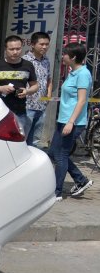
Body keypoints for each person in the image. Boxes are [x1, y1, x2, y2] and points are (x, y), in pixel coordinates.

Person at [51, 43, 92, 200]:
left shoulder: (83, 74)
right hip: (63, 119)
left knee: (61, 155)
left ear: (73, 57)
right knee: (54, 152)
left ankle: (57, 192)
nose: (63, 56)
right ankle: (80, 180)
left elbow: (81, 101)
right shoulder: (73, 72)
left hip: (73, 122)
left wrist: (71, 122)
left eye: (65, 54)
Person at [0, 35, 38, 135]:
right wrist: (1, 88)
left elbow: (35, 86)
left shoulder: (28, 65)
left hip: (20, 112)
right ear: (5, 49)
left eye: (18, 49)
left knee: (19, 142)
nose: (15, 52)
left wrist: (27, 91)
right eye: (11, 49)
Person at [22, 32, 52, 148]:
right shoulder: (25, 61)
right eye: (41, 44)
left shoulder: (46, 61)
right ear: (33, 45)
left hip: (41, 106)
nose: (44, 47)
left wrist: (48, 93)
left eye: (47, 44)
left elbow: (49, 78)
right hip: (27, 106)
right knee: (23, 139)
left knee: (35, 141)